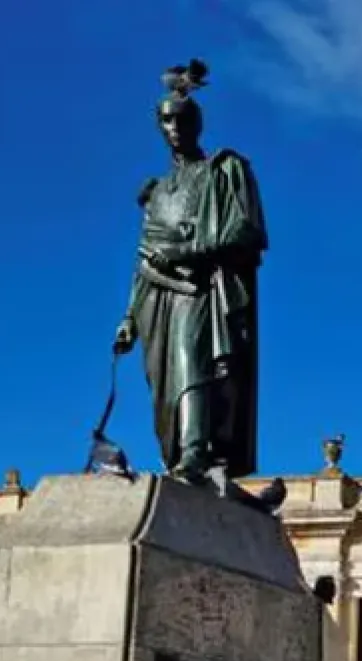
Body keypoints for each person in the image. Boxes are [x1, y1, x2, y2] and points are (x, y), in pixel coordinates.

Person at [113, 58, 269, 487]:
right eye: (166, 121)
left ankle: (196, 452)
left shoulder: (225, 169)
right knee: (162, 388)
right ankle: (180, 453)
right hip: (155, 294)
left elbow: (246, 230)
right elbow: (144, 257)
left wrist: (186, 252)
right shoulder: (157, 191)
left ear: (196, 123)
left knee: (191, 365)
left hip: (199, 287)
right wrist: (129, 317)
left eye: (181, 119)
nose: (174, 128)